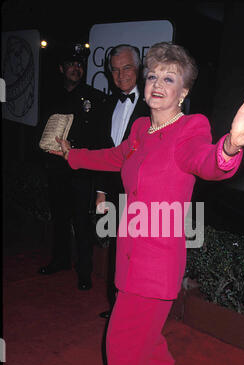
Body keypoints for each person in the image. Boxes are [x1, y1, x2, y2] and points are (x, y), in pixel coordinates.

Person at [50, 42, 244, 365]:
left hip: (158, 261)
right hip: (128, 253)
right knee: (144, 338)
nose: (157, 83)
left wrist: (231, 146)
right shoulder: (142, 129)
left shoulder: (190, 129)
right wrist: (72, 156)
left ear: (183, 92)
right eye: (152, 76)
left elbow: (208, 162)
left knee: (122, 340)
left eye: (168, 78)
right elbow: (117, 158)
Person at [38, 44, 109, 290]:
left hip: (81, 170)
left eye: (79, 65)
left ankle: (84, 272)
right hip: (57, 168)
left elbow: (100, 138)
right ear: (61, 68)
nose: (76, 68)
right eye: (71, 64)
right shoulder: (51, 96)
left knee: (81, 222)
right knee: (59, 217)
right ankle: (60, 259)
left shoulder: (94, 97)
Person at [95, 44, 149, 317]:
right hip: (116, 194)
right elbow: (107, 154)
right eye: (115, 70)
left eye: (126, 68)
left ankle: (134, 309)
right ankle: (117, 305)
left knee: (139, 256)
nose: (120, 75)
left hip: (143, 196)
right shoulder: (108, 105)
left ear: (138, 69)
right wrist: (102, 191)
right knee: (119, 251)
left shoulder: (153, 106)